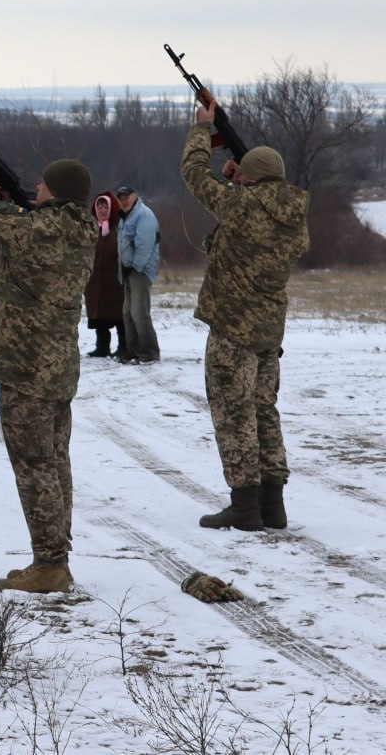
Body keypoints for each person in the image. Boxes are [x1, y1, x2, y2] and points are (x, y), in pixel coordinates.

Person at [0, 124, 97, 593]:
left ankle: (50, 564)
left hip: (25, 367)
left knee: (34, 466)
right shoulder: (80, 229)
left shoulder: (37, 230)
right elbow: (28, 224)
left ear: (57, 192)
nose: (36, 187)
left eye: (43, 185)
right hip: (57, 368)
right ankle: (54, 556)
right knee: (54, 462)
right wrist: (14, 205)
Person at [182, 101, 309, 531]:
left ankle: (244, 505)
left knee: (233, 412)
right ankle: (273, 505)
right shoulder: (292, 216)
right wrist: (240, 182)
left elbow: (193, 174)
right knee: (263, 410)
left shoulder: (241, 206)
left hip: (233, 328)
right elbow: (251, 214)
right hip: (269, 330)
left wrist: (202, 130)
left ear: (250, 178)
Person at [114, 185, 161, 363]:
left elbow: (145, 245)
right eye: (121, 198)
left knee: (139, 312)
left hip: (140, 271)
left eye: (127, 197)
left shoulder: (143, 215)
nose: (124, 201)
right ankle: (132, 350)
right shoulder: (125, 216)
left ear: (135, 196)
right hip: (127, 270)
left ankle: (149, 351)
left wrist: (135, 266)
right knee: (127, 312)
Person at [84, 192, 125, 358]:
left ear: (111, 208)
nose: (102, 210)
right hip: (96, 280)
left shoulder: (119, 227)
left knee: (119, 315)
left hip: (116, 281)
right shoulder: (92, 228)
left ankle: (124, 346)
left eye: (105, 207)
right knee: (99, 314)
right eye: (99, 207)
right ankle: (102, 346)